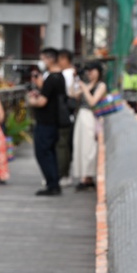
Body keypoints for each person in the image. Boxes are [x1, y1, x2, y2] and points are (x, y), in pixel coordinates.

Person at [26, 47, 65, 196]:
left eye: (42, 59)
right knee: (51, 152)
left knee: (43, 153)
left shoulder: (51, 78)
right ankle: (54, 183)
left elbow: (42, 102)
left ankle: (52, 184)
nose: (42, 62)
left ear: (49, 59)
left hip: (46, 122)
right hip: (54, 121)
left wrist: (31, 101)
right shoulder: (59, 77)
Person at [71, 62, 108, 191]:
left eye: (93, 70)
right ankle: (84, 177)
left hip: (92, 118)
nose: (90, 73)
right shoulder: (86, 84)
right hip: (81, 117)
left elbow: (93, 102)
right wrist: (75, 79)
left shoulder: (101, 85)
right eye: (88, 71)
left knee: (90, 148)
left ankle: (89, 177)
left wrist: (85, 89)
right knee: (80, 146)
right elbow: (72, 94)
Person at [57, 49, 77, 184]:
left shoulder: (66, 74)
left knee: (62, 144)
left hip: (64, 113)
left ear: (65, 59)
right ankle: (64, 173)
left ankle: (62, 174)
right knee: (66, 144)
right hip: (71, 113)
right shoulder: (73, 73)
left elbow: (69, 93)